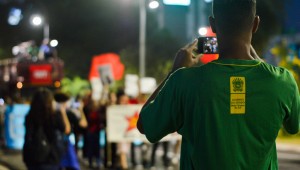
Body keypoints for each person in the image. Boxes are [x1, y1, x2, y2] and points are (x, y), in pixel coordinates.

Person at [137, 0, 300, 169]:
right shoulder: (282, 81)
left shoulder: (184, 81)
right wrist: (257, 59)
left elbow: (145, 126)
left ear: (213, 24)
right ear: (256, 24)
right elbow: (294, 126)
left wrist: (174, 72)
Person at [23, 88, 71, 170]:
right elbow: (67, 130)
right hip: (50, 158)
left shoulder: (30, 117)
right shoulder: (54, 116)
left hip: (32, 157)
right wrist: (62, 111)